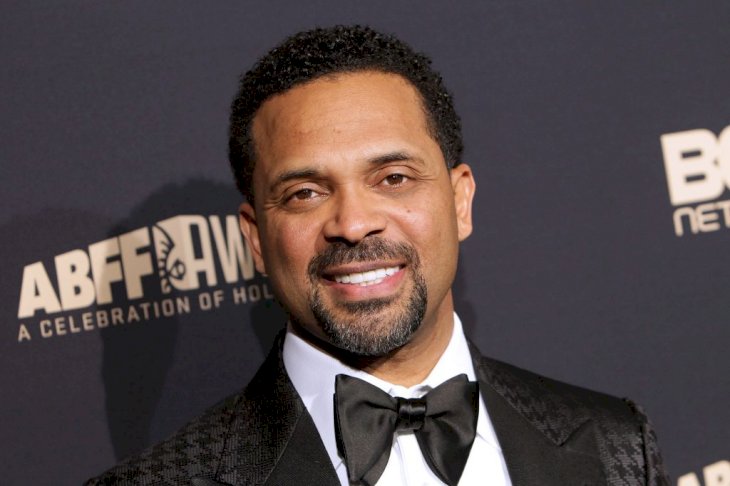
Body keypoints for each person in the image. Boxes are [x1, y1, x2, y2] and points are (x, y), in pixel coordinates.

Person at [88, 25, 669, 486]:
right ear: (256, 239)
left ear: (460, 201)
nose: (354, 222)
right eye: (305, 193)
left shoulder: (614, 445)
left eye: (393, 177)